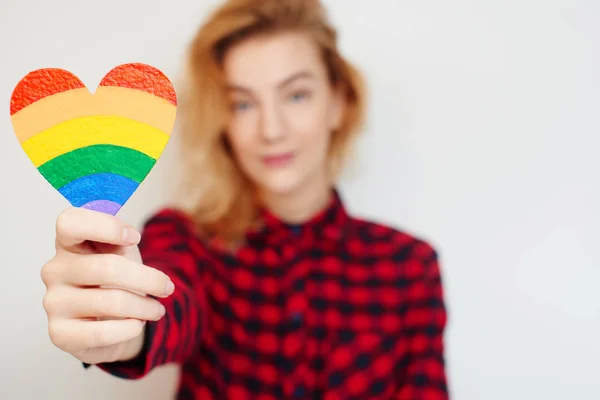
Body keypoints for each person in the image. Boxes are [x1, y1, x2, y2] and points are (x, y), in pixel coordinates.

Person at [40, 0, 449, 398]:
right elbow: (172, 303)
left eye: (296, 95)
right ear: (223, 123)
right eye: (243, 103)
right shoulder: (184, 238)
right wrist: (121, 328)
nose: (271, 129)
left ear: (339, 103)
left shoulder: (410, 265)